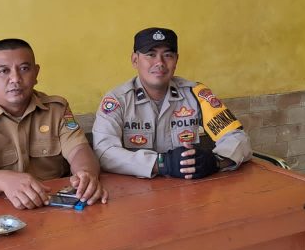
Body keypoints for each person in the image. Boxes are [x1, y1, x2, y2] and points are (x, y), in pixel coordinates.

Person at [0, 38, 107, 208]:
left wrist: (86, 174)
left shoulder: (56, 111)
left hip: (55, 206)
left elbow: (79, 150)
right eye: (4, 71)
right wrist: (3, 180)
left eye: (24, 69)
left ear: (36, 73)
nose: (15, 78)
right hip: (0, 213)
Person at [92, 27, 252, 179]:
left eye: (168, 55)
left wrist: (216, 161)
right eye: (151, 54)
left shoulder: (196, 95)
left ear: (176, 60)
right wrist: (161, 164)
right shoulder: (117, 100)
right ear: (135, 60)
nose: (160, 62)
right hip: (135, 192)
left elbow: (238, 138)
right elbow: (104, 153)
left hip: (189, 190)